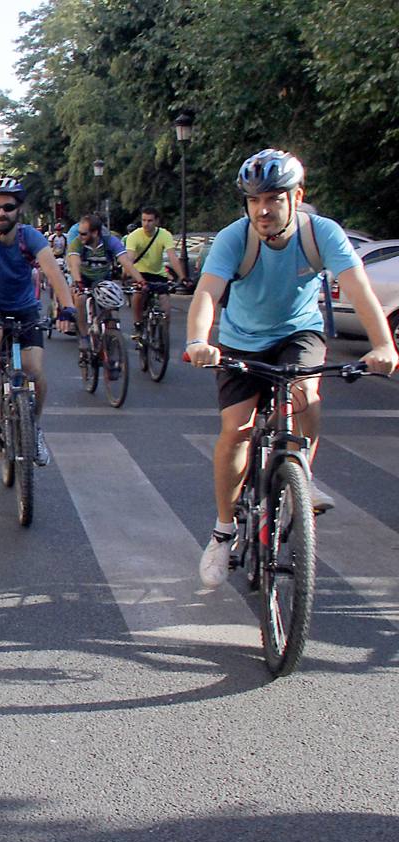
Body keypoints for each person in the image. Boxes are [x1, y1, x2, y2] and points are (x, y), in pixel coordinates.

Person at [186, 149, 397, 587]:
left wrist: (383, 345)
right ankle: (223, 532)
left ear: (296, 197)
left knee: (307, 394)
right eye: (254, 200)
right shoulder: (233, 238)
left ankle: (301, 471)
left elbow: (357, 286)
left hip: (298, 333)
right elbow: (207, 292)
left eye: (274, 198)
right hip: (241, 340)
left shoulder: (321, 234)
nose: (263, 209)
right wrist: (198, 341)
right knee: (237, 430)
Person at [0, 177, 77, 465]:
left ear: (18, 209)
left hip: (25, 307)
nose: (1, 213)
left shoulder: (30, 237)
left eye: (8, 207)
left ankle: (33, 429)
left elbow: (53, 273)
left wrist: (68, 308)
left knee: (34, 370)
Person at [66, 213, 147, 356]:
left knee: (112, 307)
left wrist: (140, 281)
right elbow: (74, 263)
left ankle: (112, 339)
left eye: (84, 234)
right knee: (80, 298)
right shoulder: (77, 243)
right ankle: (84, 336)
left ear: (95, 233)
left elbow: (125, 262)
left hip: (103, 278)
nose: (80, 236)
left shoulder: (110, 241)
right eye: (79, 233)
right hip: (83, 278)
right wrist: (78, 282)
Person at [124, 206, 189, 333]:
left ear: (157, 221)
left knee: (166, 310)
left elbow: (173, 257)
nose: (146, 224)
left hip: (158, 274)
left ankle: (163, 338)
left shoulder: (165, 234)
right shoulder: (134, 236)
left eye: (150, 221)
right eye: (143, 220)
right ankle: (138, 324)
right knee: (138, 296)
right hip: (140, 274)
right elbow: (129, 258)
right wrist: (127, 273)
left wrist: (183, 277)